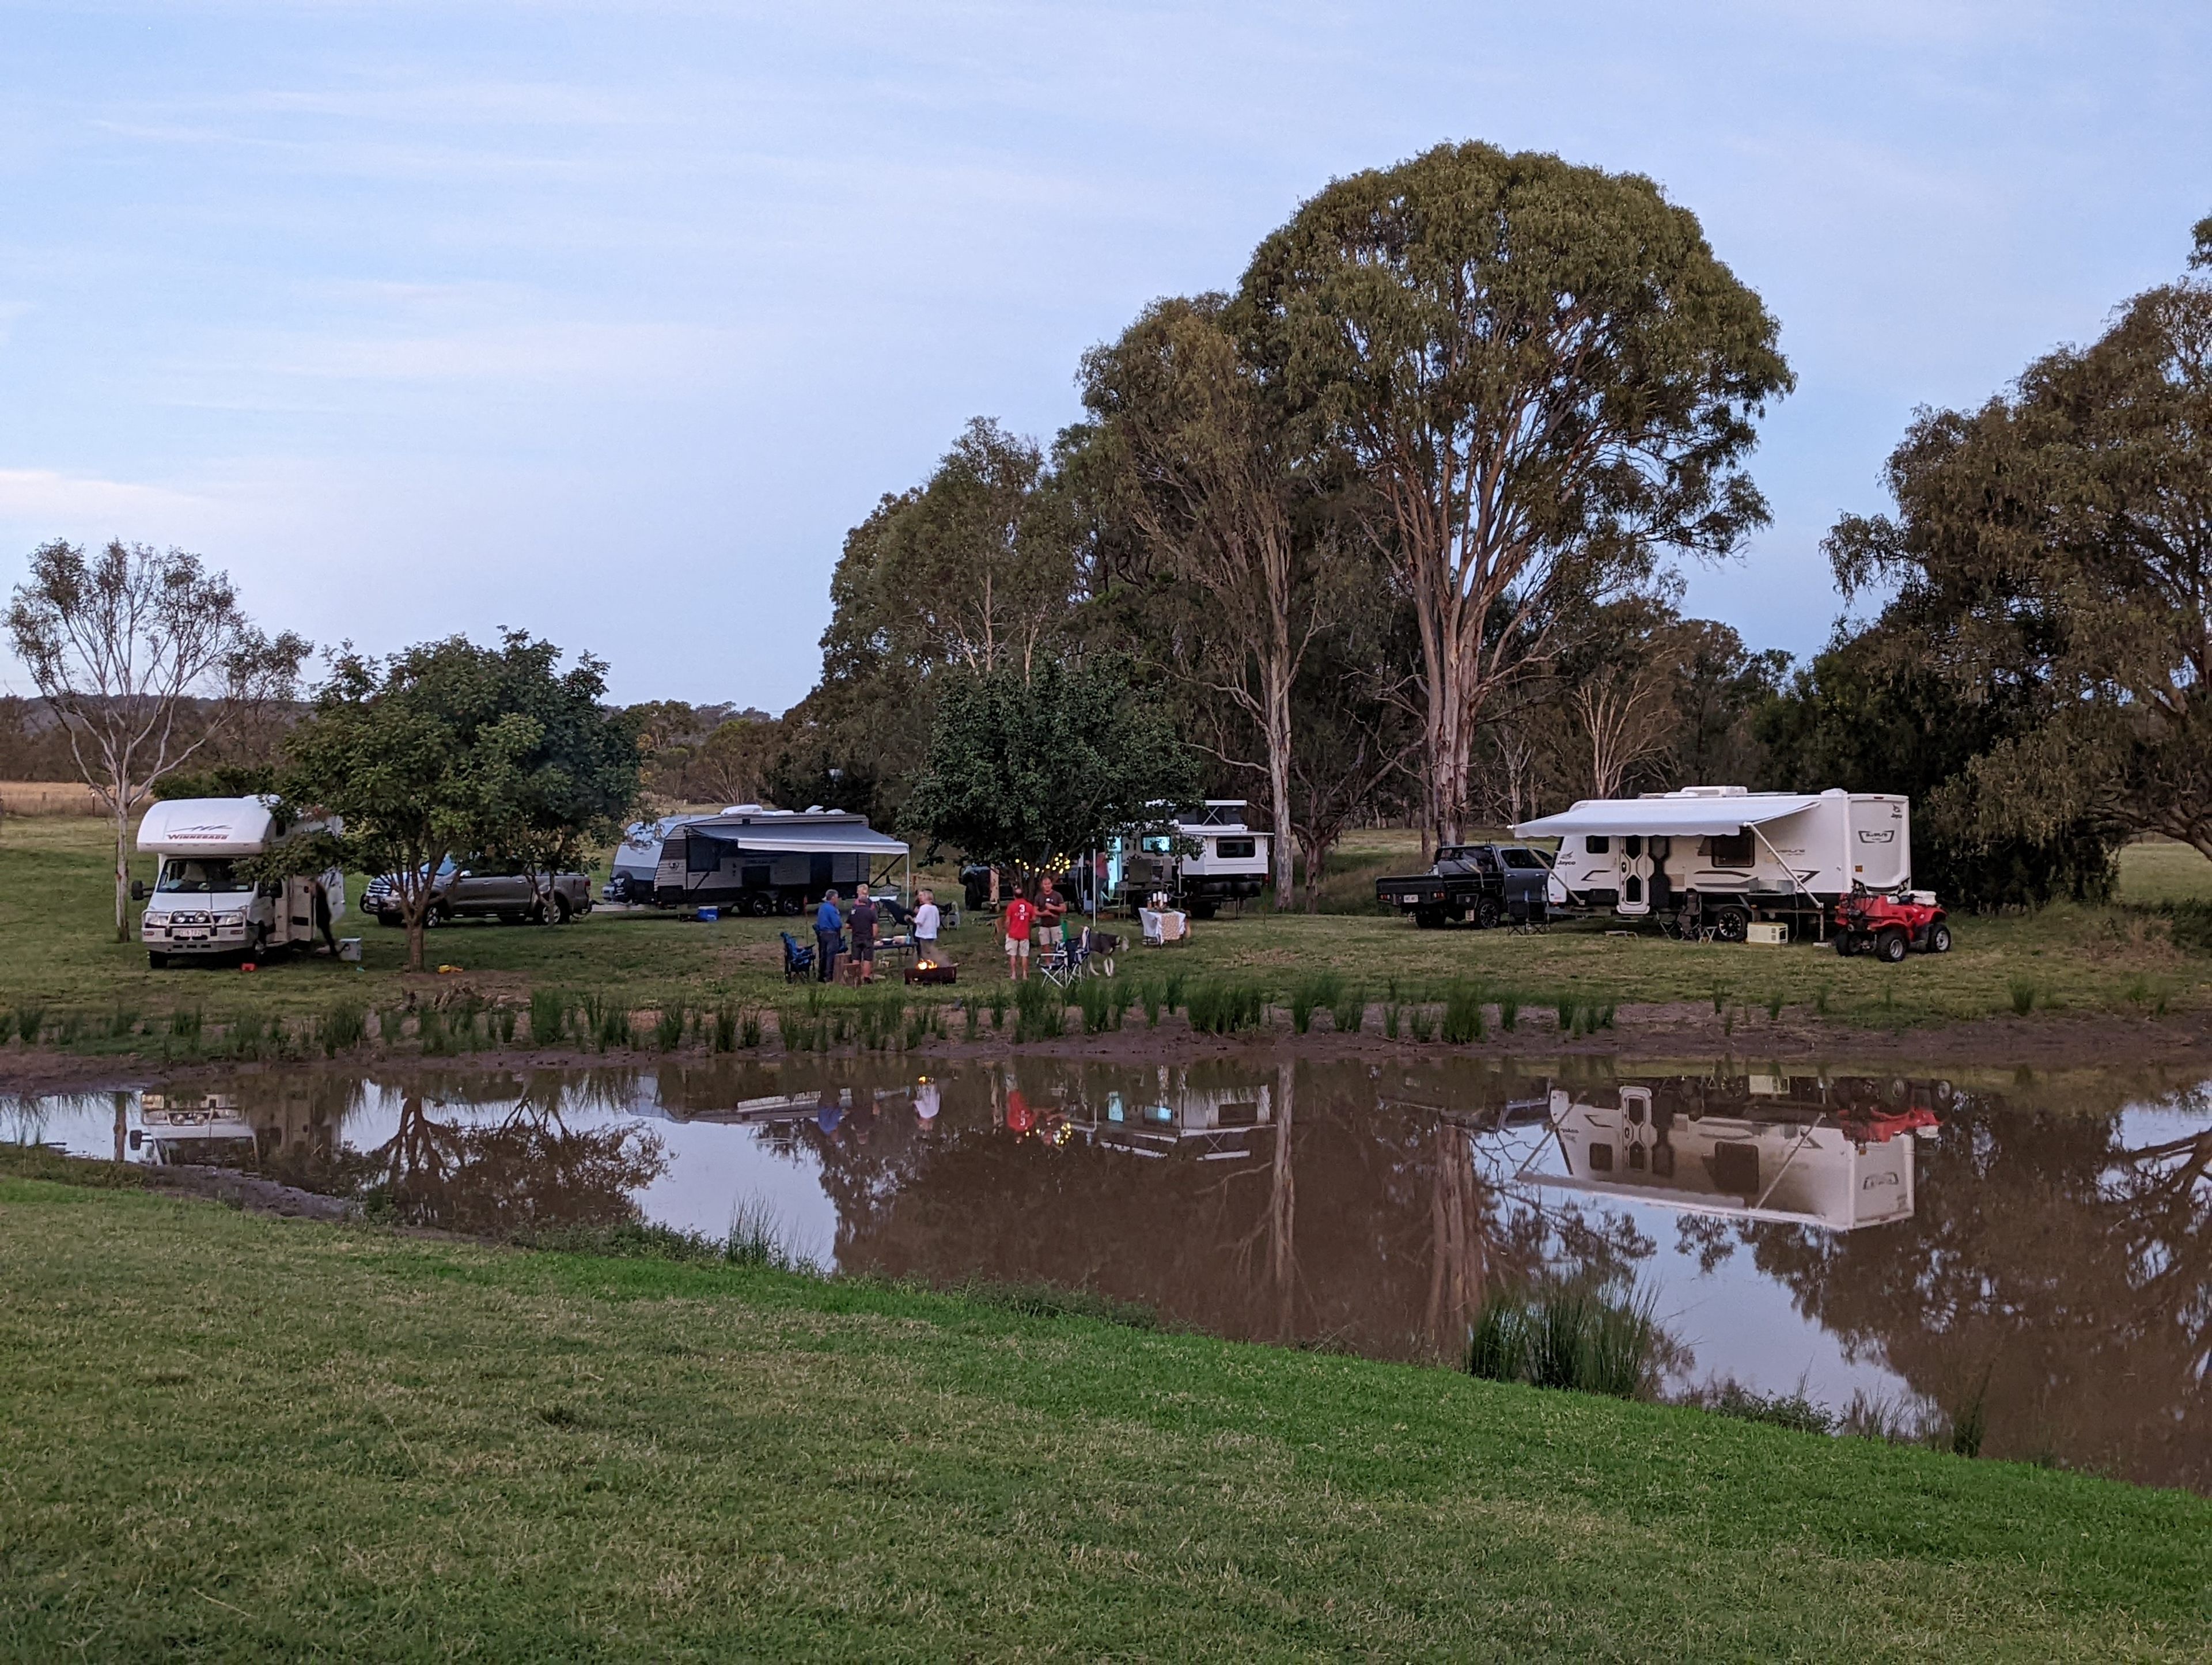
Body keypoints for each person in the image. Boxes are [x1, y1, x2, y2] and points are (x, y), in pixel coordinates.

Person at [1003, 887, 1035, 981]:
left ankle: (1014, 974)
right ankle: (1025, 975)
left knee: (1013, 955)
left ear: (1014, 896)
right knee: (1024, 955)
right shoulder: (1029, 906)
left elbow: (1008, 921)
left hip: (1013, 933)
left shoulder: (1011, 906)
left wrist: (1007, 930)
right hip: (1024, 933)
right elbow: (1034, 919)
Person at [849, 890, 878, 984]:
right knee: (867, 959)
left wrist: (855, 927)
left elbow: (847, 926)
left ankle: (855, 977)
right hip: (867, 938)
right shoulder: (871, 912)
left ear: (859, 902)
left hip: (856, 938)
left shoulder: (853, 912)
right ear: (867, 903)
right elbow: (875, 927)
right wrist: (874, 937)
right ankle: (866, 977)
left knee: (856, 958)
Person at [815, 889, 843, 984]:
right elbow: (837, 924)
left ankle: (821, 976)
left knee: (823, 955)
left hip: (822, 934)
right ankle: (829, 977)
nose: (838, 900)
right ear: (833, 898)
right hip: (832, 934)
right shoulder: (832, 909)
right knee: (831, 955)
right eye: (837, 898)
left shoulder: (822, 907)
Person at [912, 888, 941, 959]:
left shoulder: (924, 908)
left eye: (923, 896)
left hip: (924, 934)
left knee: (925, 952)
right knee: (931, 949)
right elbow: (937, 924)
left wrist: (913, 920)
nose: (921, 898)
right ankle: (934, 962)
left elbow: (919, 921)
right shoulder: (935, 908)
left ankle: (926, 964)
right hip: (933, 934)